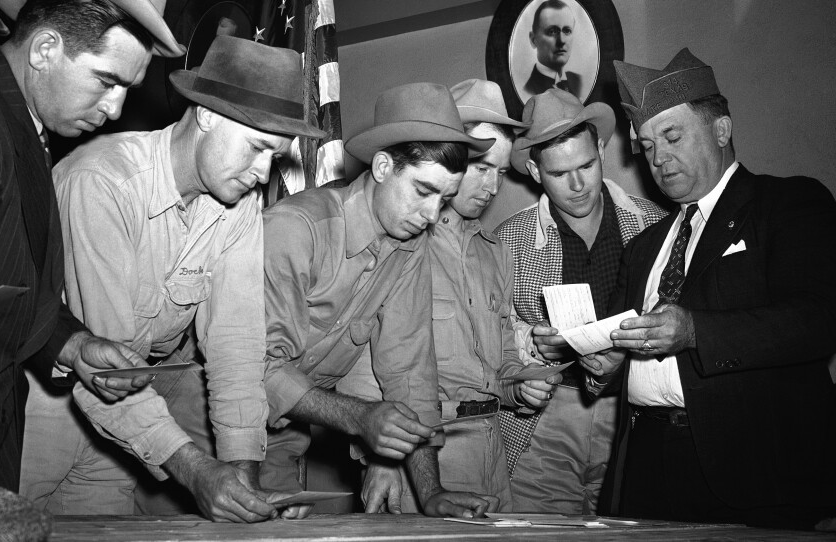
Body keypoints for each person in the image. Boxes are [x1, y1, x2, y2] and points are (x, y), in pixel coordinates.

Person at [19, 36, 322, 522]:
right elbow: (104, 366)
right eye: (258, 148)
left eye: (276, 154)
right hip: (38, 408)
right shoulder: (103, 183)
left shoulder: (238, 204)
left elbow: (236, 345)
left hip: (130, 425)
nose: (264, 171)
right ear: (207, 116)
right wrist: (196, 470)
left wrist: (240, 479)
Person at [575, 48, 836, 529]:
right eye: (647, 146)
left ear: (721, 129)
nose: (658, 157)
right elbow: (620, 345)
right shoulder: (645, 244)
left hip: (752, 470)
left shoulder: (788, 204)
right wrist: (603, 364)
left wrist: (695, 330)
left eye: (672, 136)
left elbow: (817, 320)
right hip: (645, 469)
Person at [0, 0, 184, 492]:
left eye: (126, 89)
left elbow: (9, 285)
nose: (116, 109)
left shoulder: (20, 121)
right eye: (107, 82)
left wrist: (75, 346)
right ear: (44, 49)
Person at [261, 82, 499, 518]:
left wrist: (431, 493)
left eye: (444, 199)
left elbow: (409, 371)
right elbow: (256, 369)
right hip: (203, 426)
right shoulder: (296, 230)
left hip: (282, 437)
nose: (432, 216)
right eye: (423, 191)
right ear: (384, 166)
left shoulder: (410, 245)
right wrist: (360, 418)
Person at [341, 79, 560, 514]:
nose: (493, 187)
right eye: (482, 169)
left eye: (500, 172)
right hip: (423, 452)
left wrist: (521, 386)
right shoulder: (400, 239)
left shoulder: (496, 252)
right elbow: (364, 359)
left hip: (491, 445)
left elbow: (496, 361)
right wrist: (382, 456)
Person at [495, 88, 666, 514]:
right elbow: (486, 335)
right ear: (535, 171)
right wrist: (529, 344)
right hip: (546, 420)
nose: (577, 185)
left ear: (603, 150)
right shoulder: (507, 241)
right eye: (559, 174)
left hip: (634, 413)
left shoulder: (654, 224)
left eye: (586, 165)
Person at [524, 0, 580, 97]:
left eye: (567, 31)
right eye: (552, 31)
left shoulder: (577, 81)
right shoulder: (529, 91)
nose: (561, 40)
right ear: (533, 40)